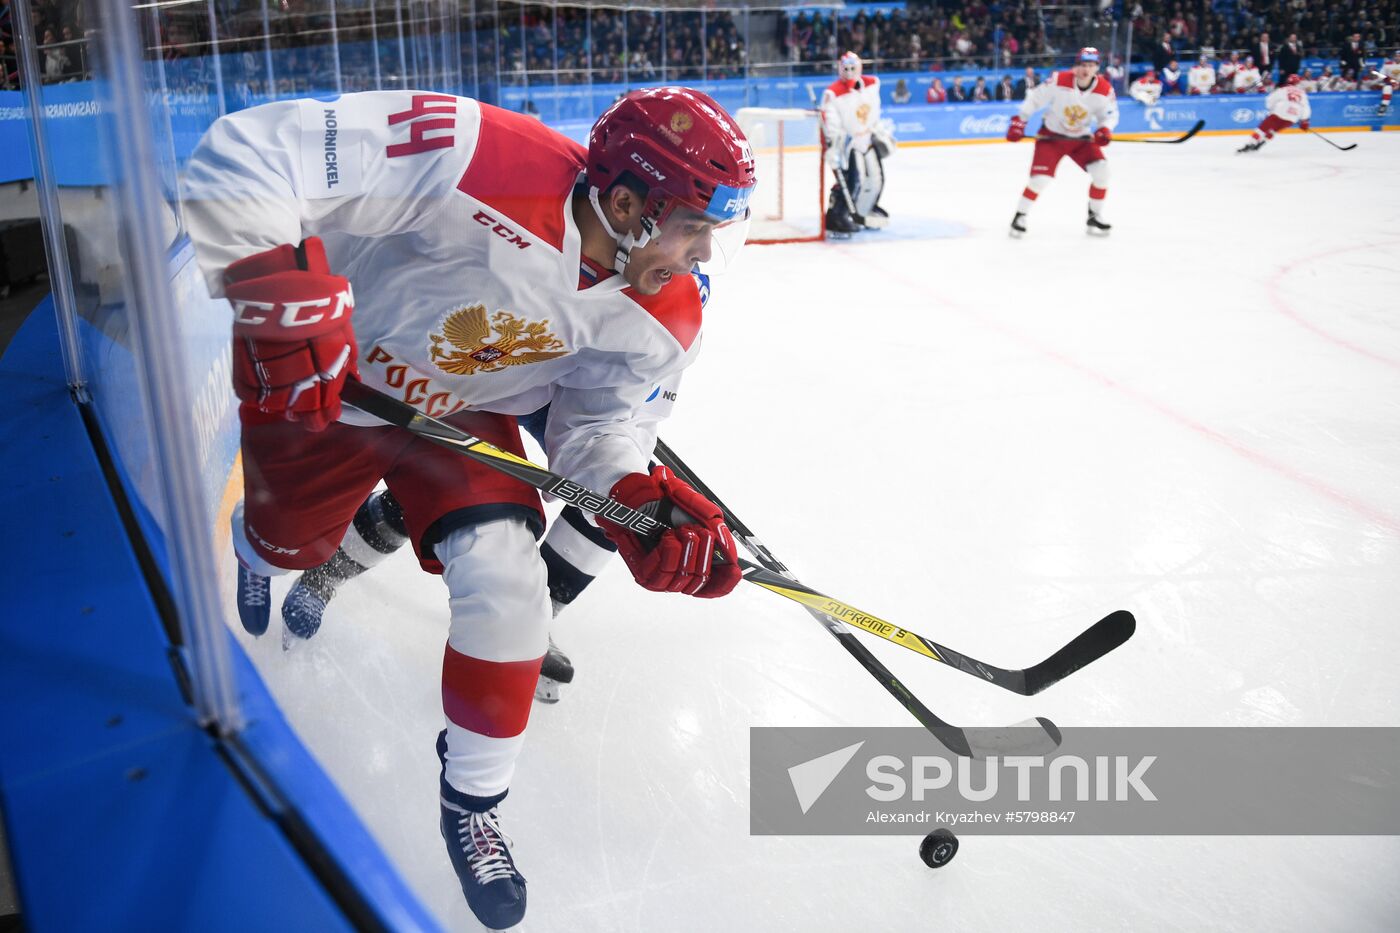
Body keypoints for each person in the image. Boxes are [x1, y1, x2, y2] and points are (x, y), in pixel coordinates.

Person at [181, 86, 754, 929]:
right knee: (286, 542)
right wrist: (273, 290)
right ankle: (264, 551)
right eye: (694, 224)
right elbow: (249, 151)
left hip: (464, 421)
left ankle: (473, 801)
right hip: (335, 383)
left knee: (509, 593)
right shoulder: (478, 152)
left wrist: (630, 498)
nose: (703, 250)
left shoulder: (667, 310)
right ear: (627, 204)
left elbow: (594, 426)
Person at [1005, 46, 1118, 237]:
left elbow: (1110, 115)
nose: (1086, 70)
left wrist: (1105, 129)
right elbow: (1035, 99)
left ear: (1097, 67)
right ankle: (1020, 215)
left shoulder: (1105, 89)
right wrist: (1020, 121)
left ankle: (1094, 215)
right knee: (1040, 180)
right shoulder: (1059, 80)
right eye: (1083, 65)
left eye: (1091, 65)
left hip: (1081, 140)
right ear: (1076, 66)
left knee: (1102, 172)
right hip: (1052, 138)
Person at [821, 50, 894, 234]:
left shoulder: (871, 84)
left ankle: (864, 210)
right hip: (850, 141)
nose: (850, 71)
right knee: (854, 181)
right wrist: (833, 145)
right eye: (846, 68)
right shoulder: (833, 93)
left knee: (876, 179)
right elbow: (832, 123)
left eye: (853, 67)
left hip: (868, 138)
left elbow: (873, 112)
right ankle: (838, 215)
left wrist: (878, 132)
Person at [1238, 73, 1311, 152]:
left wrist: (1271, 109)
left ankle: (1251, 143)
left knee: (1262, 129)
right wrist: (1304, 120)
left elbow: (1269, 100)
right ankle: (1264, 141)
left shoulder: (1283, 89)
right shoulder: (1302, 93)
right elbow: (1306, 107)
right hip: (1293, 117)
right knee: (1273, 130)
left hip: (1279, 112)